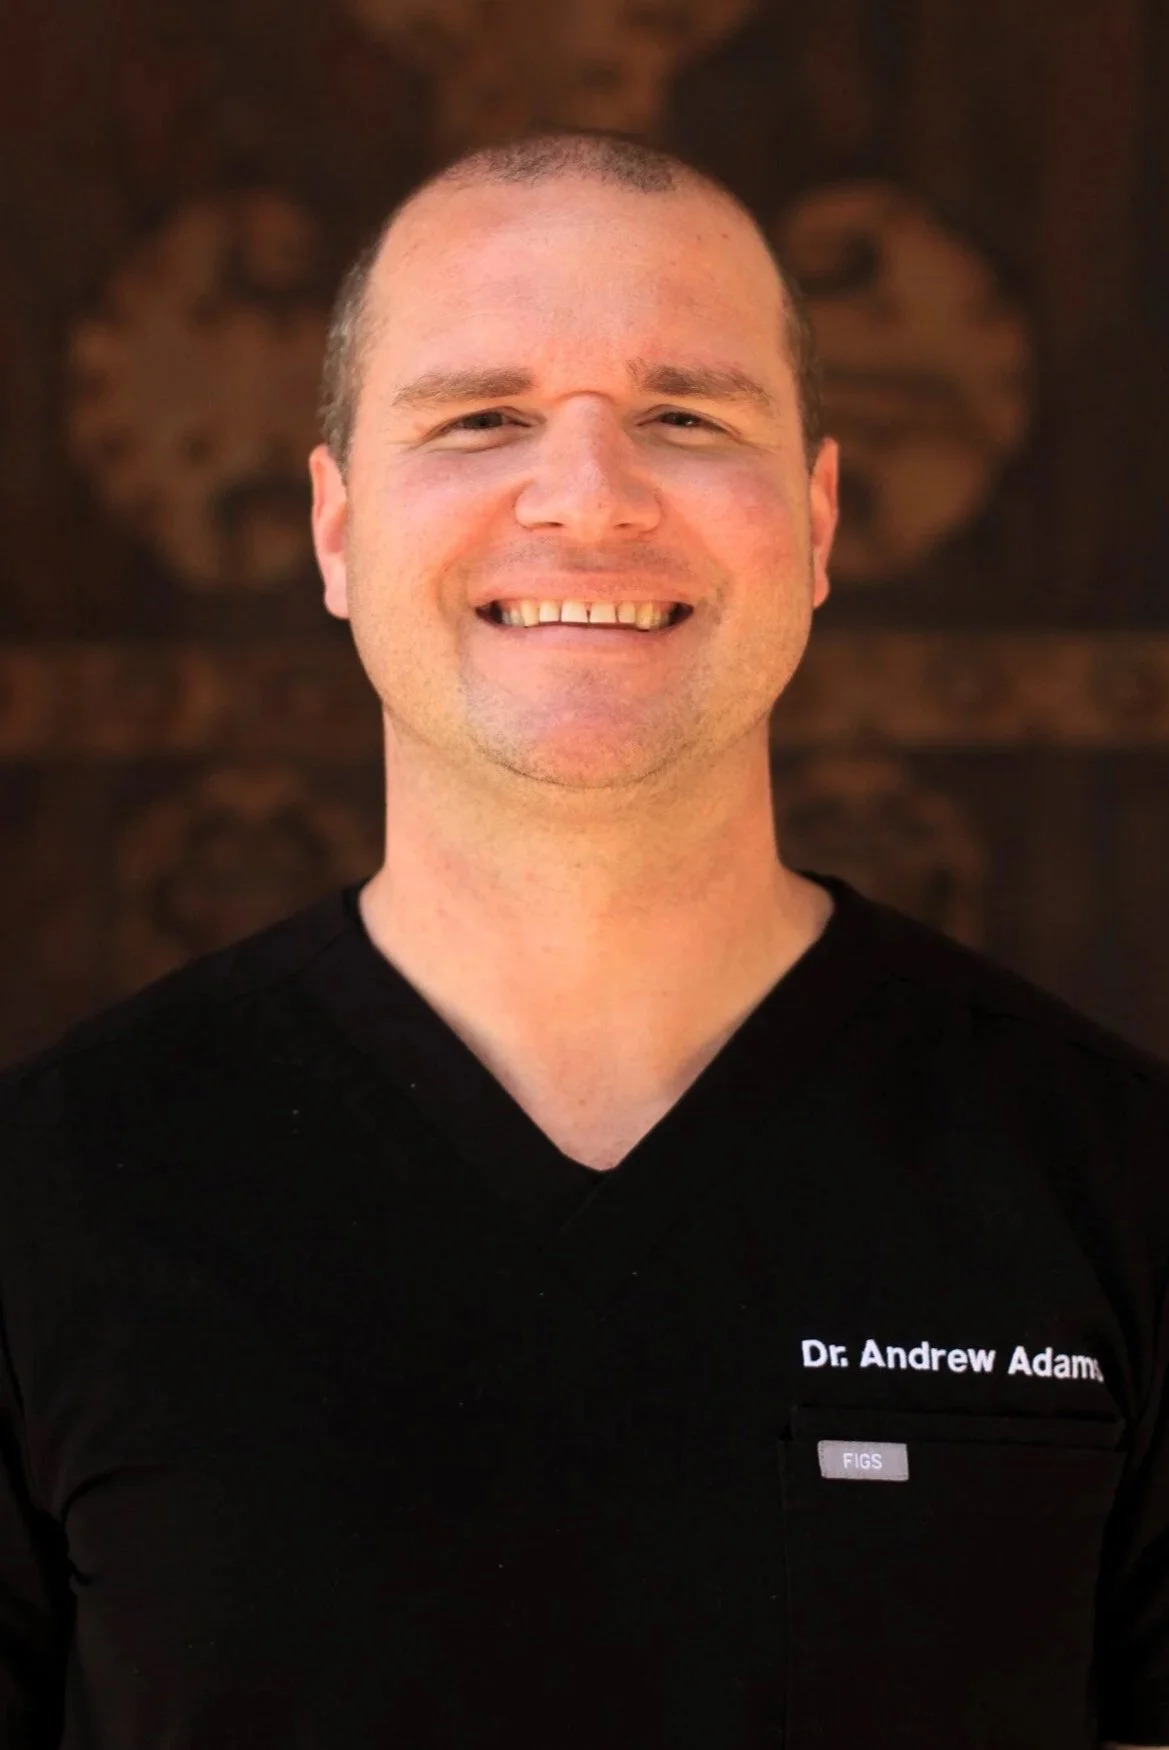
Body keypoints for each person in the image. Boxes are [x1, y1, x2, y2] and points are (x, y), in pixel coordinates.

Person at [1, 128, 1167, 1750]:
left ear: (819, 517)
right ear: (335, 528)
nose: (588, 494)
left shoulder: (1119, 1182)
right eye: (482, 419)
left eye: (685, 417)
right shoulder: (45, 1198)